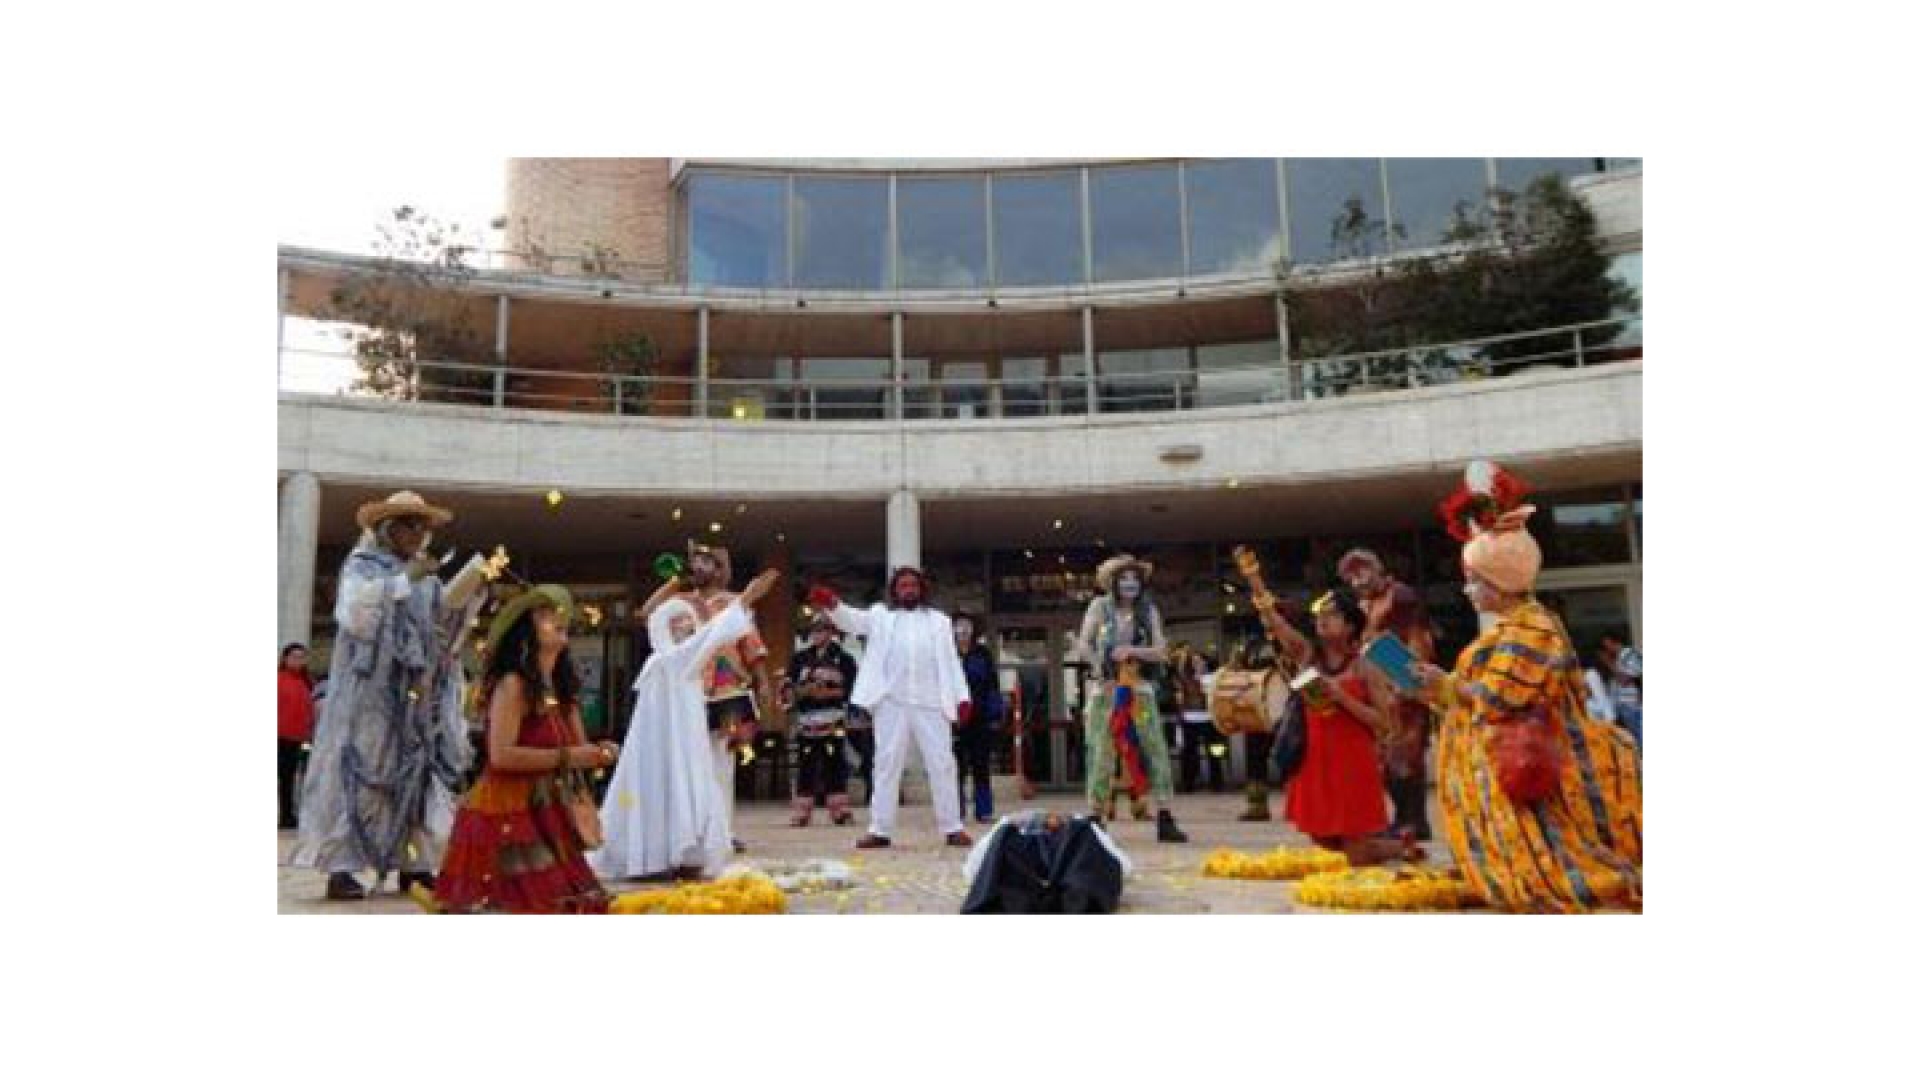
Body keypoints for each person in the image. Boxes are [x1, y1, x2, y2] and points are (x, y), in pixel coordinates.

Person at [1410, 462, 1643, 912]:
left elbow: (1501, 697)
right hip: (1504, 760)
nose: (1468, 591)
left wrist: (1448, 685)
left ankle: (1543, 886)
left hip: (1524, 760)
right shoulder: (1510, 627)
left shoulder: (1531, 626)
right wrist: (1434, 689)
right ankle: (1510, 882)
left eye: (1474, 582)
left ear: (1499, 583)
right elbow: (1473, 695)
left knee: (1553, 853)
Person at [293, 491, 480, 901]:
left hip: (417, 696)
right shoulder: (363, 567)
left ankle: (415, 865)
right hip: (370, 698)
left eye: (421, 527)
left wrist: (466, 597)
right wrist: (400, 582)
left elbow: (441, 630)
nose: (417, 534)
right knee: (362, 771)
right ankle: (342, 867)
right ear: (386, 529)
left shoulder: (427, 577)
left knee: (418, 773)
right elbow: (355, 615)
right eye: (408, 525)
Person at [432, 585, 619, 913]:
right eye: (545, 613)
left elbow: (579, 751)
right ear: (525, 631)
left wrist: (600, 752)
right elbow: (501, 755)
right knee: (527, 905)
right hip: (509, 811)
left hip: (551, 809)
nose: (558, 618)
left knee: (575, 904)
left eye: (560, 613)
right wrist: (572, 756)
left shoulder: (562, 688)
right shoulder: (513, 683)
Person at [597, 570, 782, 880]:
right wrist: (748, 596)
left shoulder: (665, 661)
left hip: (697, 723)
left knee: (705, 773)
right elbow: (707, 633)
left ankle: (680, 848)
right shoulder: (676, 658)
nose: (688, 631)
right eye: (682, 627)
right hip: (674, 744)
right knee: (684, 784)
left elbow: (723, 637)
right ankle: (671, 851)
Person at [813, 566, 973, 849]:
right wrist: (833, 604)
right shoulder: (881, 617)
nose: (908, 590)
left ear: (922, 589)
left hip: (931, 702)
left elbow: (951, 662)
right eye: (903, 585)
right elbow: (852, 621)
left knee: (943, 764)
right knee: (886, 764)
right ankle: (880, 830)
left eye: (913, 585)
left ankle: (953, 827)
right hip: (891, 702)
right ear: (895, 591)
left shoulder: (939, 622)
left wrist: (962, 697)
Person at [1254, 587, 1408, 865]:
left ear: (1350, 625)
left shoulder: (1365, 665)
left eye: (1333, 615)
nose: (1322, 620)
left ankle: (1398, 848)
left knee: (1355, 855)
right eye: (1319, 615)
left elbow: (1385, 723)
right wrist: (1256, 586)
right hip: (1315, 760)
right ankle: (1396, 846)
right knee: (1325, 845)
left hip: (1352, 762)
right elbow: (1278, 626)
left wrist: (1342, 698)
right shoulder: (1307, 655)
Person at [662, 541, 772, 854]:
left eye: (706, 562)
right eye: (695, 561)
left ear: (720, 569)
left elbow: (751, 644)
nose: (698, 567)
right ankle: (692, 829)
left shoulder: (736, 603)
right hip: (688, 690)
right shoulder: (679, 604)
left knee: (722, 760)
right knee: (688, 760)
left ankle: (723, 831)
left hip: (728, 690)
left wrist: (763, 682)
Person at [1075, 554, 1187, 843]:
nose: (1130, 583)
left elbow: (1161, 650)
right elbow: (1084, 644)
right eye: (1124, 578)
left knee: (1154, 748)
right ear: (1112, 582)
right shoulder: (1099, 607)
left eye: (1135, 578)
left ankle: (1164, 816)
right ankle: (1096, 816)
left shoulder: (1148, 610)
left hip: (1140, 691)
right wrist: (1100, 670)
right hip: (1106, 692)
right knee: (1101, 750)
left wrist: (1132, 651)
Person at [1339, 547, 1439, 841]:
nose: (1358, 581)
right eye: (1351, 577)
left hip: (1403, 682)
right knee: (1388, 758)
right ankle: (1403, 818)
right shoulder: (1367, 604)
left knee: (1407, 756)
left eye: (1361, 572)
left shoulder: (1400, 596)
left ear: (1377, 569)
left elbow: (1418, 638)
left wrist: (1411, 681)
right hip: (1380, 686)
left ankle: (1413, 821)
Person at [781, 612, 859, 827]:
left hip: (834, 717)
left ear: (831, 633)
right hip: (807, 719)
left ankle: (839, 808)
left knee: (835, 762)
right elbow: (788, 686)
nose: (817, 635)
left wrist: (831, 693)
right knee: (806, 763)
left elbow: (852, 689)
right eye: (814, 631)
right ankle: (802, 810)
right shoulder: (800, 658)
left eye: (822, 630)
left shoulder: (844, 659)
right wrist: (799, 692)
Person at [952, 613, 1006, 824]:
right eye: (959, 626)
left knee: (981, 765)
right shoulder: (946, 652)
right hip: (953, 718)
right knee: (955, 767)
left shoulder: (982, 654)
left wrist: (995, 713)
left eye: (967, 626)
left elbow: (992, 684)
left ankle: (983, 810)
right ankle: (955, 812)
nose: (963, 630)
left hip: (980, 718)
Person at [1168, 643, 1227, 794]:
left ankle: (1217, 782)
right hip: (1190, 719)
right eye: (1194, 661)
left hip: (1210, 719)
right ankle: (1188, 783)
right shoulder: (1183, 678)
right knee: (1189, 753)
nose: (1198, 664)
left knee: (1215, 751)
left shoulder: (1213, 678)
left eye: (1200, 661)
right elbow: (1178, 698)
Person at [277, 643, 315, 829]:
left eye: (302, 657)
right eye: (294, 657)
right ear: (285, 659)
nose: (298, 661)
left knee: (289, 778)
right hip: (279, 736)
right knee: (283, 776)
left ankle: (287, 815)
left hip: (297, 738)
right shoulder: (278, 680)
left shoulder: (306, 683)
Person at [1601, 632, 1643, 746]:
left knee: (1639, 738)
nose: (1606, 649)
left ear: (1614, 642)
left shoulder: (1629, 654)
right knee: (1633, 740)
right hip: (1624, 705)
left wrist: (1608, 663)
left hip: (1631, 704)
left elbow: (1625, 680)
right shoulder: (1620, 657)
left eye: (1607, 645)